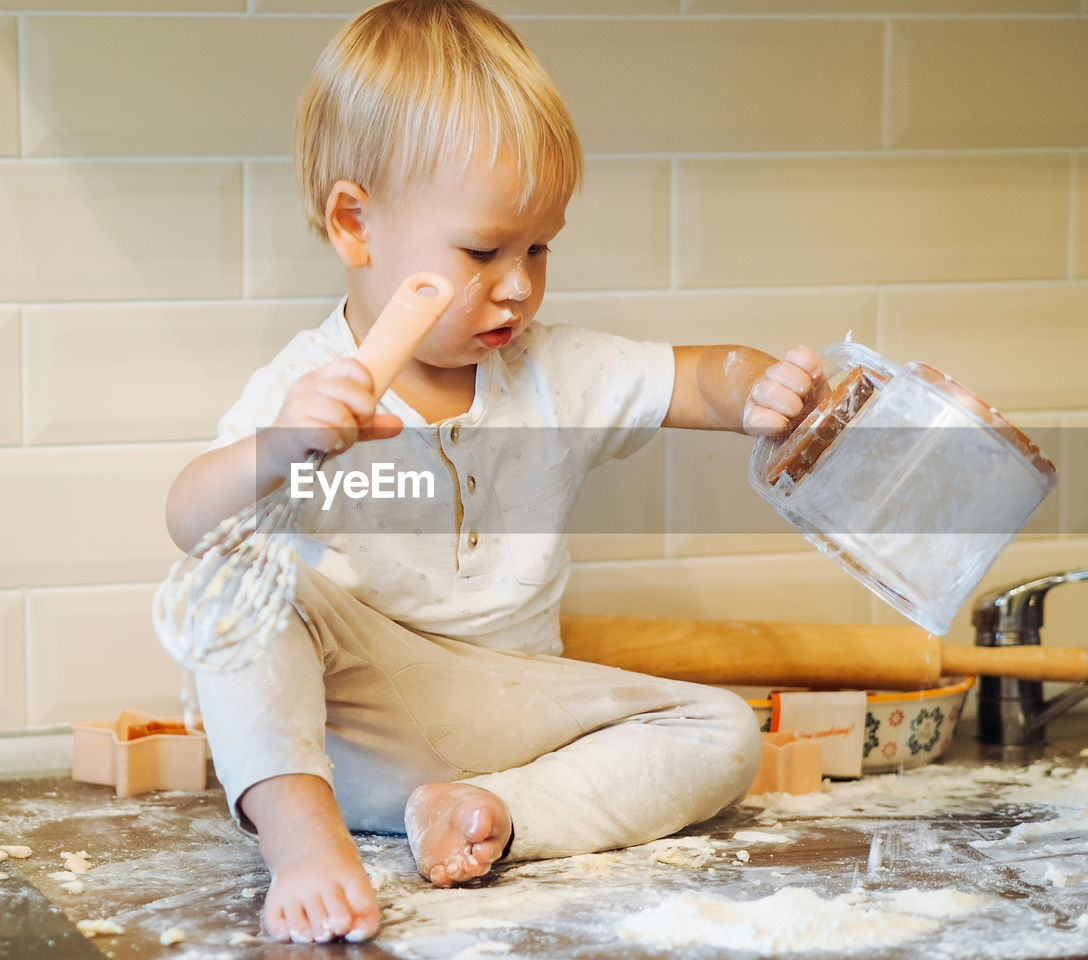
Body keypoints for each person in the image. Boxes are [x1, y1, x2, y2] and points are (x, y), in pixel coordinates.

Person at [162, 0, 824, 944]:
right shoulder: (304, 388)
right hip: (351, 729)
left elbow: (700, 378)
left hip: (521, 713)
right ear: (356, 223)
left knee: (720, 732)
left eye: (538, 247)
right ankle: (303, 842)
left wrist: (764, 387)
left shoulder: (555, 373)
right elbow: (189, 520)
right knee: (235, 579)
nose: (517, 284)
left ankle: (490, 813)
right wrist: (279, 448)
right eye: (482, 251)